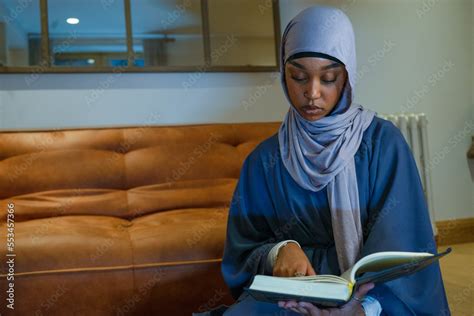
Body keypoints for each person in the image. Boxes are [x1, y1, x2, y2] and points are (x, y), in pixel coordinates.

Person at [218, 5, 450, 316]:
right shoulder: (264, 161)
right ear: (283, 74)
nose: (312, 93)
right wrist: (279, 251)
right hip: (289, 300)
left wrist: (362, 309)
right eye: (298, 76)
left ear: (348, 77)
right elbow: (241, 252)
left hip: (375, 300)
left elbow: (403, 250)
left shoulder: (383, 145)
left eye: (328, 78)